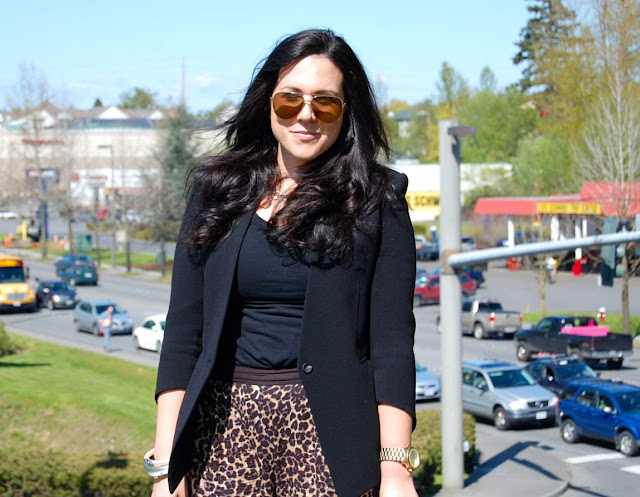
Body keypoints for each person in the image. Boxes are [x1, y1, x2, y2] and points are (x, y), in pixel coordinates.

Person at [149, 29, 418, 497]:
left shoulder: (378, 200)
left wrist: (396, 468)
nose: (306, 116)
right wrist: (166, 469)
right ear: (267, 101)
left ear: (346, 110)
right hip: (222, 428)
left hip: (331, 437)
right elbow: (183, 336)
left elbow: (392, 345)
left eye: (325, 103)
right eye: (290, 100)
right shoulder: (217, 192)